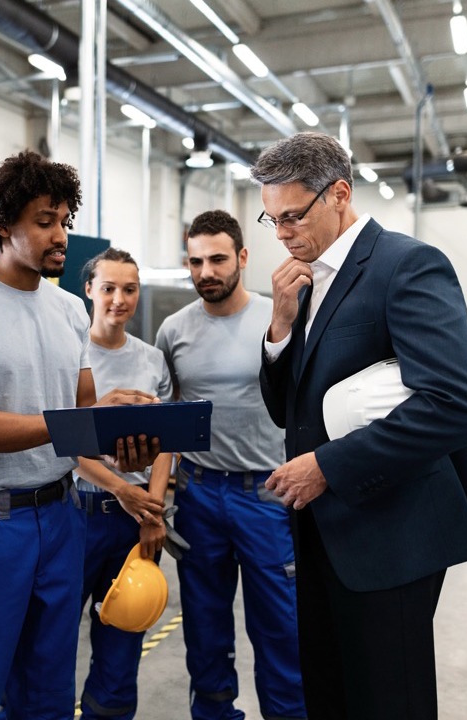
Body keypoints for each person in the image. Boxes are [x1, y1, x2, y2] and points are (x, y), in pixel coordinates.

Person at [0, 150, 161, 720]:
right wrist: (80, 425)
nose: (60, 235)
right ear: (4, 225)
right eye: (44, 221)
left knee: (49, 685)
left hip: (61, 515)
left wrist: (125, 435)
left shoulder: (71, 310)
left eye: (64, 220)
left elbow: (79, 420)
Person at [255, 131, 467, 720]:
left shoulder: (406, 265)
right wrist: (281, 327)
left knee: (389, 701)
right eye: (271, 220)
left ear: (339, 193)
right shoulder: (307, 280)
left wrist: (328, 467)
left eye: (291, 217)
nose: (282, 235)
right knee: (331, 695)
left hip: (391, 533)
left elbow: (459, 403)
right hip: (323, 534)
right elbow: (290, 410)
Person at [155, 210, 305, 720]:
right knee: (204, 625)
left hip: (267, 495)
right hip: (198, 496)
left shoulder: (278, 317)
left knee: (280, 627)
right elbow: (166, 418)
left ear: (242, 257)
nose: (206, 272)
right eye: (196, 262)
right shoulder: (173, 330)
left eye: (218, 259)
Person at [74, 248, 174, 720]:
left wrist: (151, 511)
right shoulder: (69, 354)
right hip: (72, 514)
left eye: (129, 289)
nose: (119, 298)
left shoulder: (152, 359)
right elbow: (63, 443)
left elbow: (168, 441)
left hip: (131, 522)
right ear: (89, 290)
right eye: (109, 288)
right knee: (48, 638)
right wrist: (118, 486)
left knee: (123, 637)